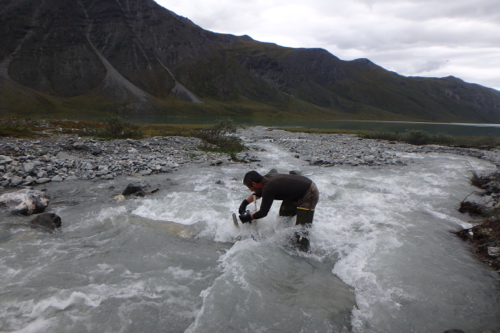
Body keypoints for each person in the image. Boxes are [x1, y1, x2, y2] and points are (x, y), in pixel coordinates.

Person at [238, 170, 319, 251]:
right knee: (284, 218)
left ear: (254, 184)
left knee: (302, 230)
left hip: (309, 192)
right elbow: (258, 194)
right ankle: (288, 243)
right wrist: (244, 203)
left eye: (250, 188)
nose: (251, 190)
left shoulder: (268, 187)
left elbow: (263, 213)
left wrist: (249, 217)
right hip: (294, 194)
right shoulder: (265, 180)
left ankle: (303, 252)